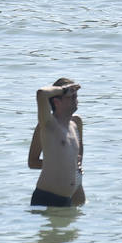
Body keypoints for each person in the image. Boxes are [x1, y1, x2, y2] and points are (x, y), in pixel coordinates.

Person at [28, 79, 86, 208]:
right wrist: (64, 90)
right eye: (71, 96)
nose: (76, 99)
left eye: (76, 95)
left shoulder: (76, 124)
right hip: (48, 197)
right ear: (56, 102)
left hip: (69, 196)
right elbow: (41, 93)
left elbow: (75, 161)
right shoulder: (48, 125)